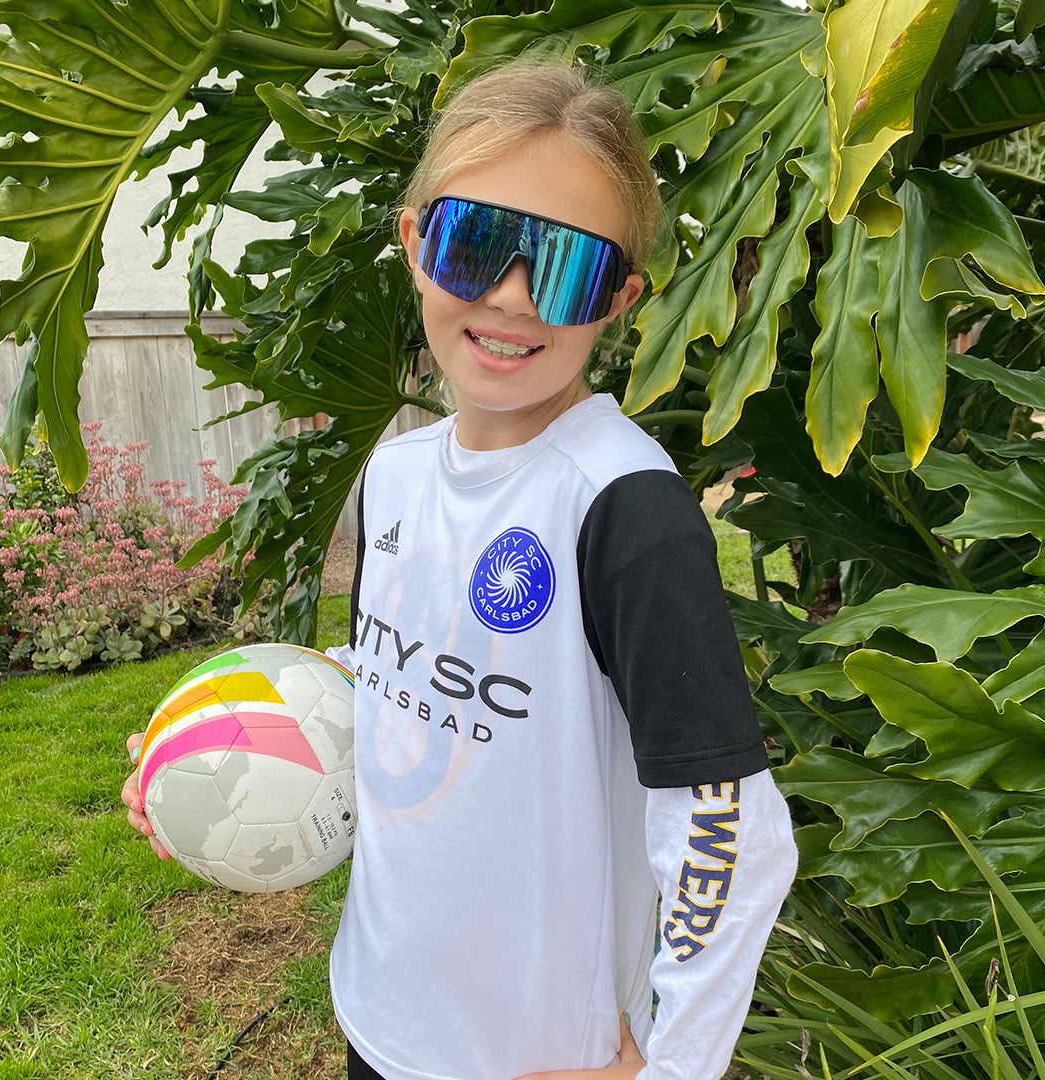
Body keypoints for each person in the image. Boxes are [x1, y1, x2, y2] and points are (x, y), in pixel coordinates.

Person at [123, 59, 797, 1080]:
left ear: (619, 298)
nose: (513, 296)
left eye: (565, 267)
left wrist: (671, 1070)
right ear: (415, 243)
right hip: (380, 1011)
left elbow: (728, 828)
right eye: (477, 243)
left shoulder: (624, 508)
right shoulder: (396, 474)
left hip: (533, 1057)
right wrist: (214, 746)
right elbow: (399, 671)